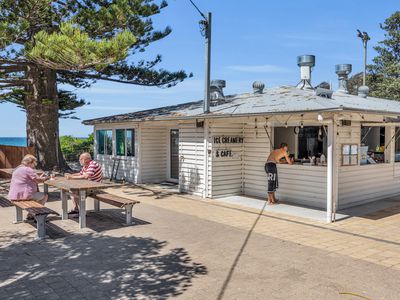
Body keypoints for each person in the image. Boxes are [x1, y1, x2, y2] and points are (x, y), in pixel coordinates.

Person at [8, 154, 49, 220]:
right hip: (24, 196)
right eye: (34, 163)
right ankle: (37, 215)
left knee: (37, 195)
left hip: (14, 195)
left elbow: (29, 179)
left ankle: (30, 214)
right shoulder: (28, 169)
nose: (34, 165)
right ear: (30, 162)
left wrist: (39, 178)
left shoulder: (17, 169)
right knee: (45, 196)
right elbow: (38, 180)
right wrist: (47, 178)